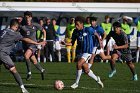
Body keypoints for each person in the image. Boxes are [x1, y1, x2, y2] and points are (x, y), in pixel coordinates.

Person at [0, 19, 44, 93]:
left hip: (3, 53)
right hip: (3, 53)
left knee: (8, 67)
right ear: (16, 27)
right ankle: (23, 89)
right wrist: (37, 43)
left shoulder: (3, 31)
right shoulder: (15, 34)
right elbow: (26, 39)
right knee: (13, 70)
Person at [66, 16, 104, 89]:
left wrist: (100, 43)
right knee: (86, 70)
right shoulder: (75, 32)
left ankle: (76, 83)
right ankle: (97, 79)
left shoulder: (88, 29)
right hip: (80, 52)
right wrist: (65, 43)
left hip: (88, 51)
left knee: (79, 64)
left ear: (82, 24)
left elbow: (96, 34)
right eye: (75, 25)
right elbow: (72, 43)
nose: (76, 26)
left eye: (77, 24)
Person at [20, 11, 46, 80]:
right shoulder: (22, 26)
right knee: (34, 61)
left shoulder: (35, 25)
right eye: (26, 18)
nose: (27, 19)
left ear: (31, 18)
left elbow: (43, 31)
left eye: (29, 17)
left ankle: (29, 73)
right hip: (25, 45)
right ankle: (42, 70)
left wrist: (44, 40)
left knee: (26, 56)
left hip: (33, 45)